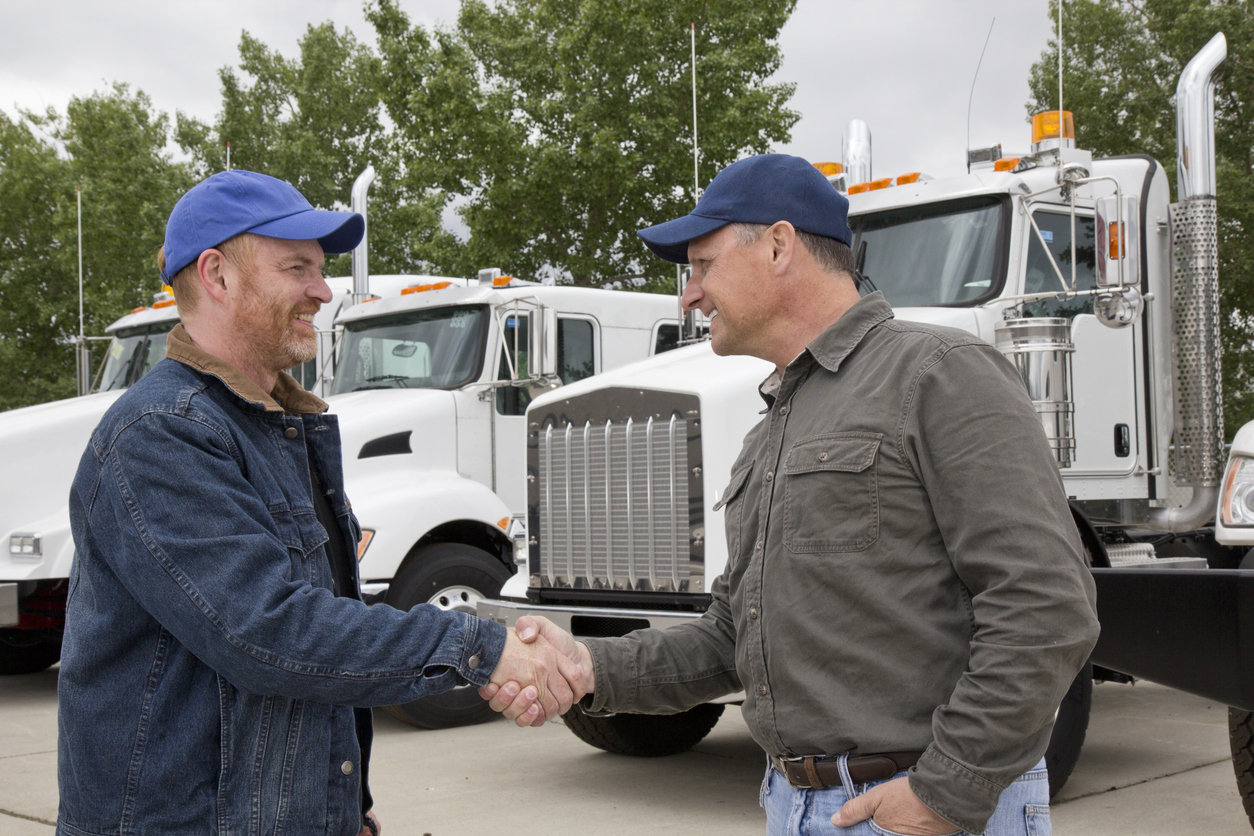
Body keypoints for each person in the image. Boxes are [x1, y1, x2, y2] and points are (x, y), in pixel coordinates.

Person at [483, 154, 1100, 835]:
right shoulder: (770, 430)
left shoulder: (940, 375)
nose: (689, 295)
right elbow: (730, 638)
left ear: (778, 246)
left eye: (702, 265)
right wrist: (589, 664)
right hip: (795, 806)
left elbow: (1046, 605)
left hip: (916, 810)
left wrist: (946, 791)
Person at [58, 170, 583, 836]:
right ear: (217, 275)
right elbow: (268, 632)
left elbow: (317, 648)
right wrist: (482, 647)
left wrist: (341, 809)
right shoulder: (163, 432)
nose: (321, 291)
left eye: (320, 269)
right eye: (298, 268)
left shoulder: (271, 425)